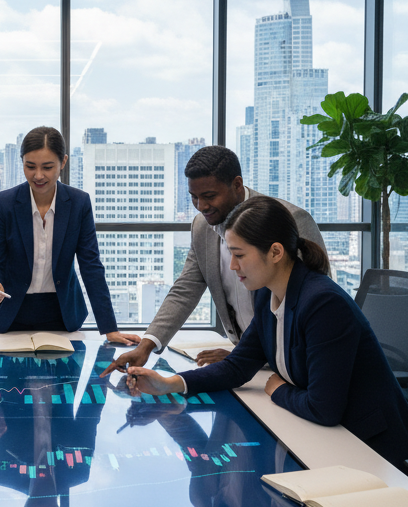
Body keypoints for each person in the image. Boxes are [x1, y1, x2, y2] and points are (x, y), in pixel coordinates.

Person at [122, 195, 408, 470]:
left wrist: (277, 389)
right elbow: (238, 366)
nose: (231, 266)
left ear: (276, 252)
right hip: (327, 443)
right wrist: (169, 384)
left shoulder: (323, 303)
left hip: (373, 453)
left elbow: (324, 409)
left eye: (239, 255)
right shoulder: (267, 293)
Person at [104, 145, 326, 376]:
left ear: (237, 185)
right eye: (194, 197)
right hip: (247, 363)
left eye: (209, 196)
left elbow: (310, 303)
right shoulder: (202, 226)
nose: (201, 206)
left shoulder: (290, 219)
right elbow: (185, 289)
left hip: (292, 363)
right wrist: (146, 346)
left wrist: (246, 355)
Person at [0, 126, 139, 344]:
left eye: (47, 167)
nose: (38, 175)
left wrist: (109, 328)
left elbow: (90, 265)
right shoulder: (3, 203)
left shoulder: (78, 203)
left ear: (63, 163)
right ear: (22, 162)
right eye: (30, 166)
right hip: (10, 312)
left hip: (62, 313)